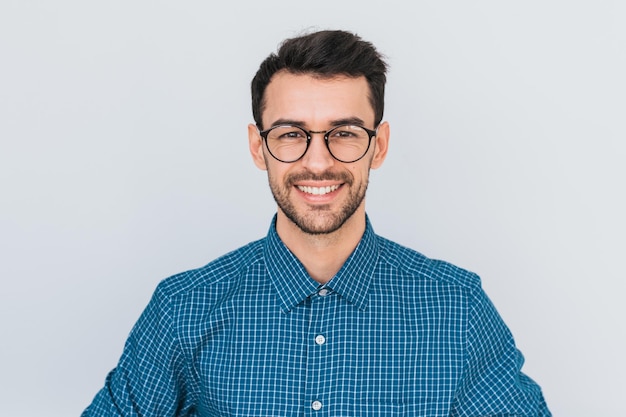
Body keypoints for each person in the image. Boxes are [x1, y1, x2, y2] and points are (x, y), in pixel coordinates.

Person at [82, 29, 551, 416]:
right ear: (258, 147)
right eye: (291, 135)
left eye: (344, 134)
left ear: (379, 145)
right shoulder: (183, 310)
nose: (319, 162)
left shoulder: (456, 309)